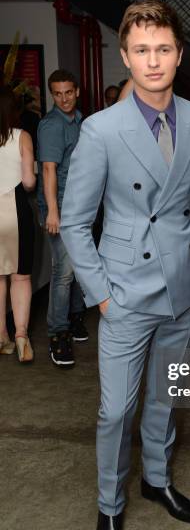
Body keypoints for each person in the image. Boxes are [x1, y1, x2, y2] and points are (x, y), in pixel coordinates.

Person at [60, 0, 190, 530]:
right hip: (123, 292)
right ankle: (109, 504)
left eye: (164, 49)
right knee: (114, 411)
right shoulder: (101, 130)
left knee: (165, 397)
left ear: (179, 55)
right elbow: (75, 222)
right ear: (124, 56)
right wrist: (101, 293)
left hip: (184, 288)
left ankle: (156, 479)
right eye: (142, 50)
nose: (154, 61)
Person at [37, 69, 88, 368]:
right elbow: (48, 170)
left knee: (80, 265)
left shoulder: (81, 120)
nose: (64, 98)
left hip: (81, 205)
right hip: (61, 208)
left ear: (77, 91)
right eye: (57, 93)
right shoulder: (51, 125)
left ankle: (75, 316)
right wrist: (53, 211)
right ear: (52, 94)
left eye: (68, 92)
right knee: (64, 272)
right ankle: (58, 334)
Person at [0, 86, 36, 362]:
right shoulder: (21, 136)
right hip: (15, 208)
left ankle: (2, 336)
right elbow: (29, 182)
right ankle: (22, 336)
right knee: (20, 276)